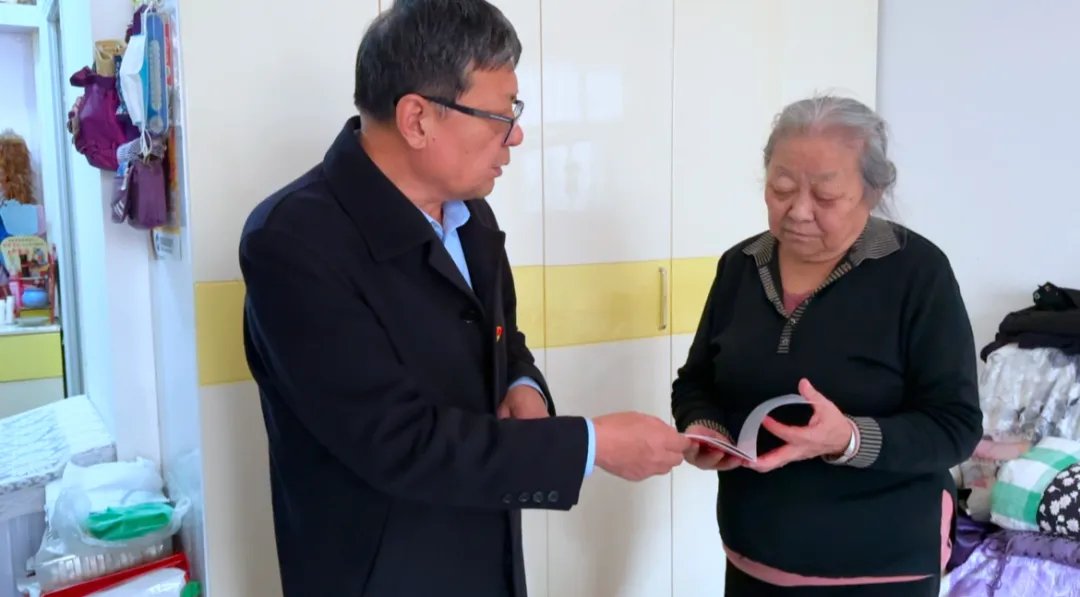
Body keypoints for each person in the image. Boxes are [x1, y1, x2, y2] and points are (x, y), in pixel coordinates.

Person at [238, 1, 690, 596]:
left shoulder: (469, 213)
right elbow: (398, 441)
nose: (516, 135)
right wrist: (592, 444)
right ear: (417, 119)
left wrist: (523, 386)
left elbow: (504, 339)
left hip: (486, 549)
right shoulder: (294, 242)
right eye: (500, 115)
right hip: (381, 573)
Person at [671, 95, 983, 597]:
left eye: (826, 196)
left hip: (880, 569)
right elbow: (695, 382)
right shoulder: (740, 266)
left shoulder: (918, 274)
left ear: (872, 192)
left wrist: (849, 439)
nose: (798, 211)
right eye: (781, 189)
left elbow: (956, 426)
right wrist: (705, 426)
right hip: (753, 556)